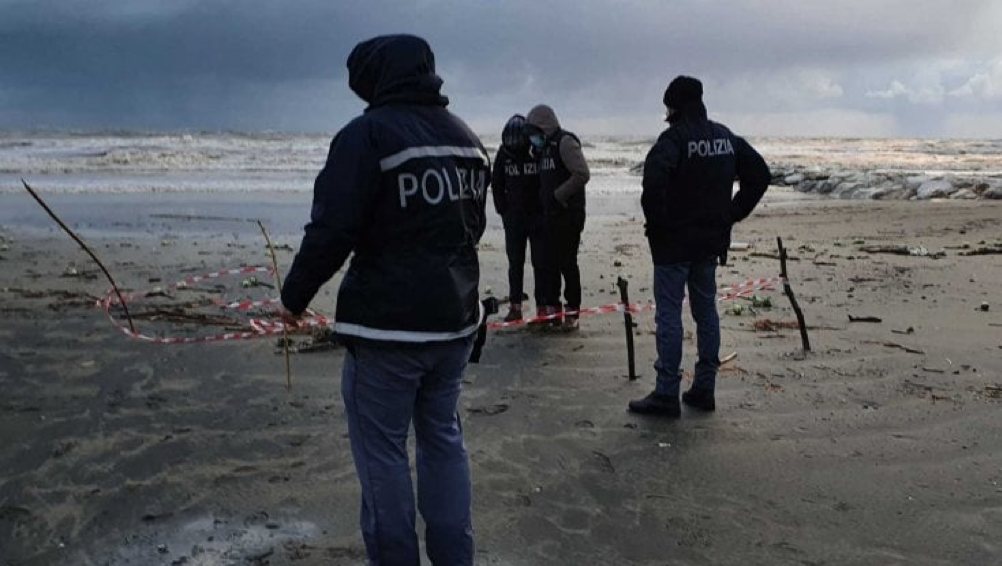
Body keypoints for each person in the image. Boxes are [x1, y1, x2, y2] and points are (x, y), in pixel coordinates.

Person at [278, 34, 489, 565]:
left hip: (388, 331)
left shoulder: (367, 135)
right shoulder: (467, 139)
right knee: (443, 440)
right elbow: (472, 228)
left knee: (383, 455)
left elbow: (332, 229)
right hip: (455, 322)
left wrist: (294, 298)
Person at [629, 76, 770, 418]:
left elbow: (653, 184)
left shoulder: (673, 139)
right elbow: (760, 175)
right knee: (706, 311)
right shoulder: (725, 138)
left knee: (669, 314)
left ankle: (667, 392)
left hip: (673, 244)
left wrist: (658, 225)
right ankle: (705, 387)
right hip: (710, 241)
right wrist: (731, 215)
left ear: (673, 107)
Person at [525, 105, 590, 330]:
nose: (532, 138)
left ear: (543, 127)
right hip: (549, 215)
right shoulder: (543, 149)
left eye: (533, 132)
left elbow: (582, 173)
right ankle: (553, 311)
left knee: (567, 263)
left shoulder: (565, 142)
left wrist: (558, 196)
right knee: (549, 264)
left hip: (569, 215)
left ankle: (572, 312)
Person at [492, 114, 547, 323]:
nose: (514, 148)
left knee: (540, 262)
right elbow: (496, 183)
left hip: (537, 217)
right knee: (515, 263)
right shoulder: (503, 154)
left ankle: (542, 308)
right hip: (513, 218)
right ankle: (515, 307)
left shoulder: (536, 151)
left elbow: (546, 181)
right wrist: (502, 210)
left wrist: (545, 208)